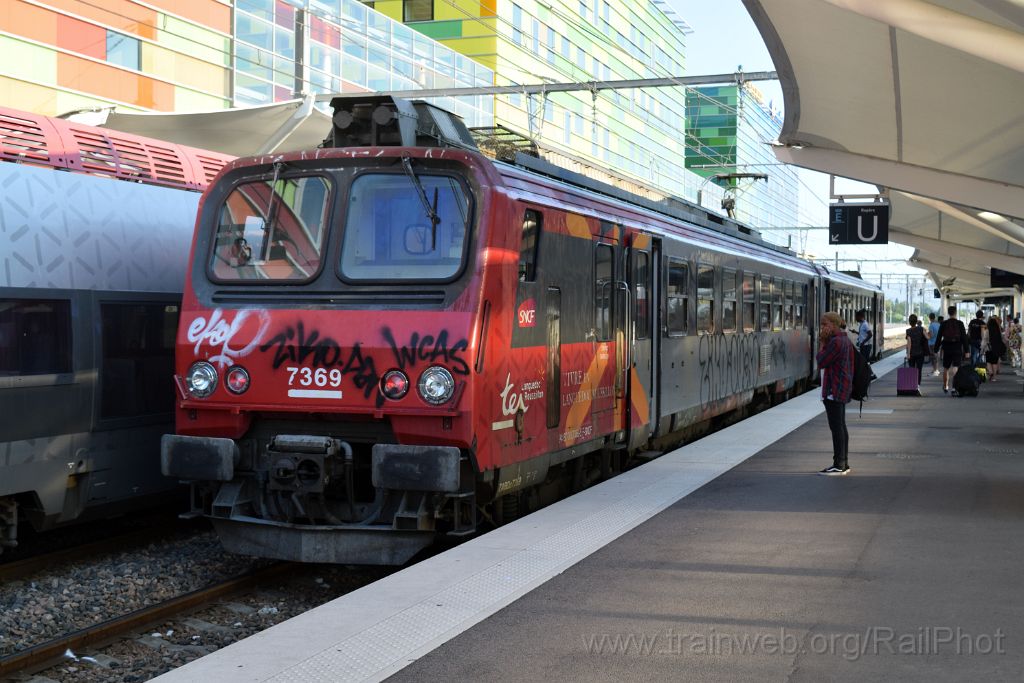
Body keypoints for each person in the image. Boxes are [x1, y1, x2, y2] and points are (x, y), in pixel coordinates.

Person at [817, 312, 854, 475]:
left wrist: (822, 343)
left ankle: (838, 464)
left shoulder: (835, 342)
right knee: (841, 426)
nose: (822, 327)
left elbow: (821, 361)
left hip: (834, 389)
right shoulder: (845, 339)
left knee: (836, 427)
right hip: (841, 387)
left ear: (833, 324)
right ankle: (843, 463)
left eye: (824, 324)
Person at [932, 305, 969, 394]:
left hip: (947, 347)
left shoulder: (944, 323)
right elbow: (964, 338)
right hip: (957, 347)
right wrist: (967, 351)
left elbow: (939, 337)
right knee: (955, 367)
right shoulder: (960, 323)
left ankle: (945, 386)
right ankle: (954, 388)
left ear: (948, 313)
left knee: (946, 368)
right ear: (955, 313)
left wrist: (936, 349)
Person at [905, 314, 927, 385]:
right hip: (920, 353)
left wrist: (908, 354)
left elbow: (909, 343)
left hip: (912, 354)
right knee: (919, 370)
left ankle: (912, 385)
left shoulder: (908, 331)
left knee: (912, 370)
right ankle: (917, 386)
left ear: (909, 322)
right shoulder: (921, 329)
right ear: (916, 321)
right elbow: (927, 337)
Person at [984, 315, 1005, 381]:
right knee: (994, 362)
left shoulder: (987, 330)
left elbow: (985, 340)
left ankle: (990, 372)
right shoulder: (998, 330)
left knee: (988, 361)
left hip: (988, 348)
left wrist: (982, 348)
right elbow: (1001, 339)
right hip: (996, 348)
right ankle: (994, 377)